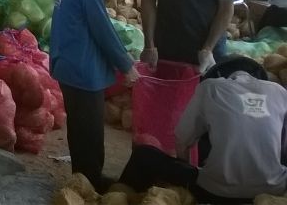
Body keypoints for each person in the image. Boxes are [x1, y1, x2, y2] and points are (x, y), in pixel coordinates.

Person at [50, 0, 141, 192]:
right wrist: (126, 65)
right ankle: (93, 183)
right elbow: (102, 29)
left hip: (67, 64)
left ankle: (82, 177)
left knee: (78, 129)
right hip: (83, 69)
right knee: (90, 132)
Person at [118, 57, 287, 204]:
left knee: (144, 154)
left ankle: (117, 194)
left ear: (220, 75)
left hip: (216, 192)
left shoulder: (211, 87)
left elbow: (182, 139)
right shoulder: (279, 91)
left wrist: (184, 169)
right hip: (274, 190)